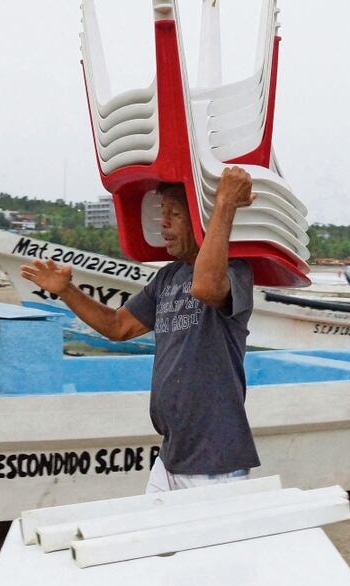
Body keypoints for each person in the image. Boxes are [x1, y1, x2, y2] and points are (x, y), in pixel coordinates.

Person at [20, 168, 259, 493]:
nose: (164, 223)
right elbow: (118, 326)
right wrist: (66, 291)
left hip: (214, 462)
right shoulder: (167, 279)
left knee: (204, 545)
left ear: (202, 219)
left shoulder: (236, 272)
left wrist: (224, 205)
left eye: (175, 214)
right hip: (171, 455)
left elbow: (205, 287)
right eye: (163, 214)